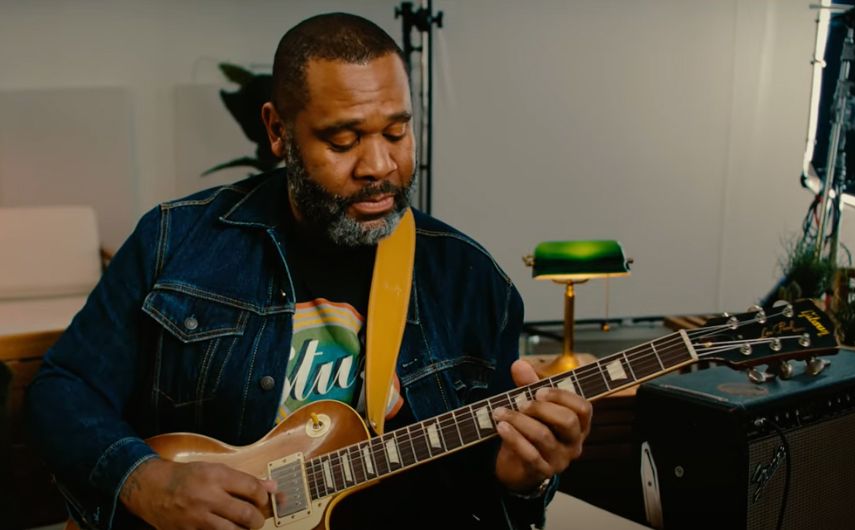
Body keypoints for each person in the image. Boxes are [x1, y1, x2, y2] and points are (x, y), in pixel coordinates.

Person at [26, 13, 592, 530]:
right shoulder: (175, 240)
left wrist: (525, 479)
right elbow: (64, 388)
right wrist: (144, 479)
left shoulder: (473, 283)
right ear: (277, 131)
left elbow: (487, 491)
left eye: (397, 132)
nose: (379, 166)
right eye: (342, 139)